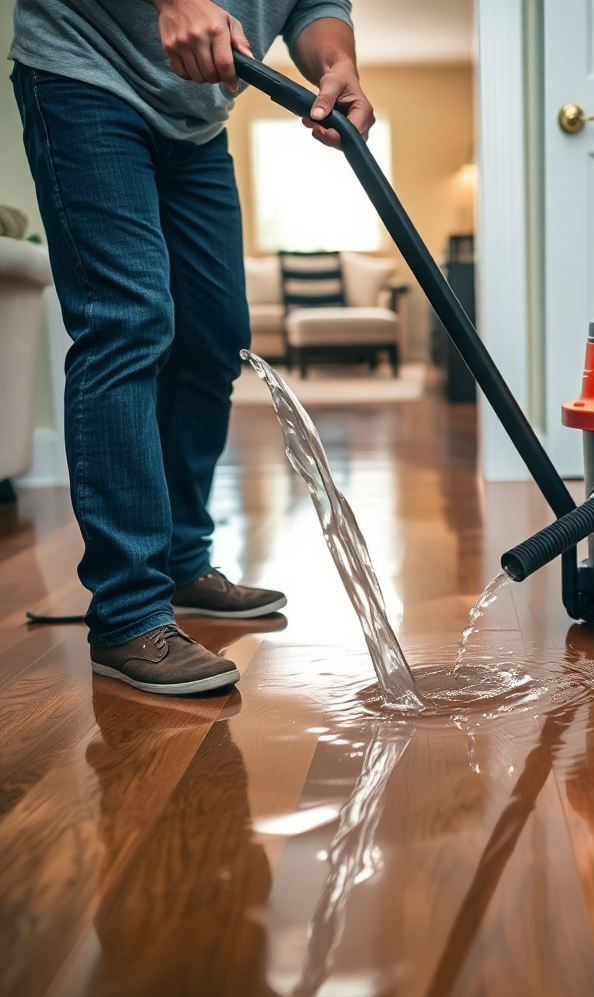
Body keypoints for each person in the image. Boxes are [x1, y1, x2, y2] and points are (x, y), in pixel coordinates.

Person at [9, 0, 373, 695]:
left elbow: (313, 5)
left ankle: (181, 561)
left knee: (214, 336)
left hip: (199, 122)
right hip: (88, 72)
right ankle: (129, 612)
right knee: (128, 322)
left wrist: (336, 61)